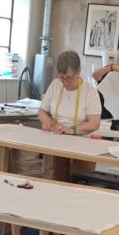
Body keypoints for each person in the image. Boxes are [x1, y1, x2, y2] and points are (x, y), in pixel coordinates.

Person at [38, 50, 101, 181]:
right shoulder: (55, 85)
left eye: (69, 78)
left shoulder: (90, 91)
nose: (65, 82)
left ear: (79, 71)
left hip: (83, 143)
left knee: (80, 181)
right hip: (59, 141)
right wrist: (47, 122)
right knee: (59, 179)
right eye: (62, 77)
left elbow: (94, 123)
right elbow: (42, 111)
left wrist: (70, 130)